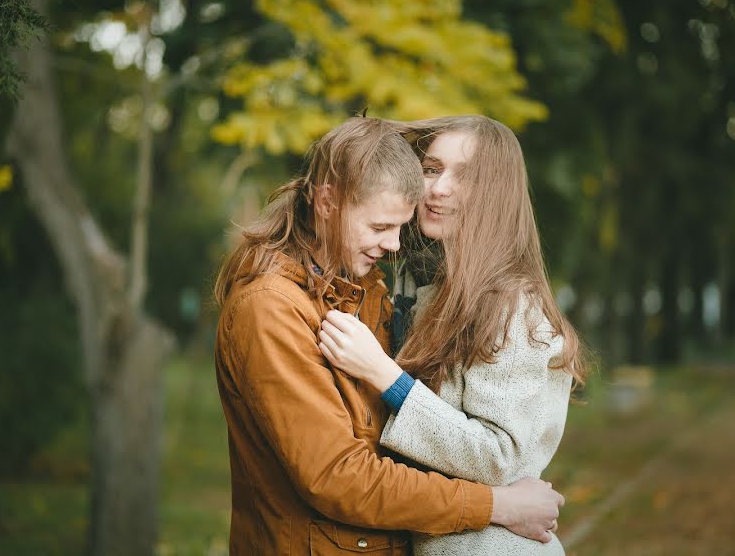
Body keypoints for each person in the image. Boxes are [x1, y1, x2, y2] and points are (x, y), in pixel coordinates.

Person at [213, 116, 565, 555]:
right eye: (432, 169)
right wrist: (497, 505)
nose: (395, 244)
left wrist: (391, 381)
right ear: (326, 202)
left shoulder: (376, 287)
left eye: (397, 229)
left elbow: (488, 452)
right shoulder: (274, 306)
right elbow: (341, 475)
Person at [318, 115, 586, 555]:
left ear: (496, 195)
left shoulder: (513, 306)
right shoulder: (426, 290)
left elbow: (501, 457)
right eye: (432, 168)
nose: (438, 188)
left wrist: (386, 377)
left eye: (465, 176)